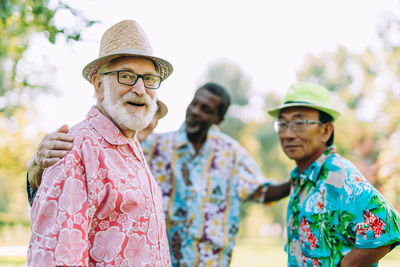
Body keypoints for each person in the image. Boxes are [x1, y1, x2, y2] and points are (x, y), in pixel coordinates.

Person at [27, 82, 291, 266]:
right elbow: (107, 150)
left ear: (219, 120)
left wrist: (299, 177)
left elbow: (261, 190)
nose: (196, 111)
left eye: (206, 109)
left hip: (212, 261)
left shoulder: (232, 154)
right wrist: (37, 165)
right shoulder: (155, 146)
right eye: (194, 104)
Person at [27, 19, 173, 266]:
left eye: (149, 79)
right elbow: (58, 259)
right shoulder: (74, 150)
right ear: (99, 84)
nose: (140, 89)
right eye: (126, 76)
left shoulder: (131, 144)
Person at [267, 82, 400, 266]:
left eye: (299, 123)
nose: (287, 134)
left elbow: (386, 228)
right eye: (282, 124)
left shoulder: (338, 176)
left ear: (326, 130)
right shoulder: (302, 178)